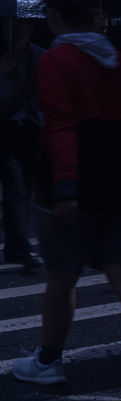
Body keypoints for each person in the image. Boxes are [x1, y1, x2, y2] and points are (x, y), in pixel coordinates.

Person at [10, 0, 121, 399]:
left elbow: (61, 126)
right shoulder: (117, 59)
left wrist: (64, 186)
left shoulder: (56, 61)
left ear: (52, 17)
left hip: (74, 184)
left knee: (61, 278)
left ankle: (48, 361)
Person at [0, 18, 44, 271]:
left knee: (26, 189)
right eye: (11, 27)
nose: (16, 32)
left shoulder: (40, 56)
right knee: (15, 188)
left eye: (22, 27)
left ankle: (17, 246)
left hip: (31, 129)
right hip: (5, 130)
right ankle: (21, 247)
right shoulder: (3, 57)